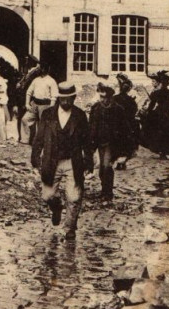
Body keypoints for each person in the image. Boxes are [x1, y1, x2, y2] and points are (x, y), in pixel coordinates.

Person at [31, 82, 95, 240]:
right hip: (51, 161)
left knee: (74, 197)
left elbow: (87, 141)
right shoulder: (47, 114)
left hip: (72, 162)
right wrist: (35, 159)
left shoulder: (80, 115)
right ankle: (57, 208)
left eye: (69, 99)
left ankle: (70, 229)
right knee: (47, 196)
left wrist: (89, 162)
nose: (65, 102)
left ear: (74, 98)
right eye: (63, 99)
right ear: (59, 98)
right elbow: (39, 138)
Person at [89, 83, 129, 202]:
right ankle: (104, 190)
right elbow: (91, 126)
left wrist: (124, 150)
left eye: (104, 97)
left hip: (112, 143)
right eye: (100, 97)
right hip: (99, 142)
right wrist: (90, 143)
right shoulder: (96, 108)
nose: (102, 100)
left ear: (110, 97)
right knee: (102, 167)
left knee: (106, 166)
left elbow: (125, 129)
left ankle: (108, 192)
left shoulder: (118, 109)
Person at [142, 70, 169, 159]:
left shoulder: (156, 93)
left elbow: (151, 105)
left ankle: (161, 151)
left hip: (159, 113)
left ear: (161, 83)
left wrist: (149, 113)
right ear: (167, 83)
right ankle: (165, 151)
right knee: (168, 133)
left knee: (159, 133)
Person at [23, 62, 59, 146]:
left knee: (43, 124)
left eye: (43, 68)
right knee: (25, 119)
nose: (42, 70)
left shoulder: (51, 81)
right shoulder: (36, 80)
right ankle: (26, 139)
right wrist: (27, 104)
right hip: (35, 103)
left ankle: (41, 143)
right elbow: (29, 92)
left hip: (45, 105)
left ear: (47, 70)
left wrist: (51, 108)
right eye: (41, 68)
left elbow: (54, 96)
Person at [112, 73, 139, 170]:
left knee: (118, 143)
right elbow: (134, 111)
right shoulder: (131, 101)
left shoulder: (114, 98)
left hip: (117, 125)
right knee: (127, 145)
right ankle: (123, 161)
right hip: (128, 125)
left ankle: (119, 161)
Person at [14, 55, 41, 144]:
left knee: (29, 120)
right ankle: (22, 137)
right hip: (22, 99)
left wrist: (20, 86)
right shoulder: (27, 73)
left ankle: (31, 139)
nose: (26, 63)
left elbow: (29, 88)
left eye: (27, 61)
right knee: (22, 118)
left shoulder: (36, 73)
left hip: (29, 99)